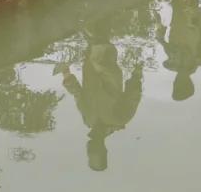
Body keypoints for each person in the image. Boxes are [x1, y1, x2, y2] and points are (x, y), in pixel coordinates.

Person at [58, 34, 144, 172]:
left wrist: (66, 74)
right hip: (106, 61)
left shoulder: (88, 120)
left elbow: (78, 95)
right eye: (95, 153)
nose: (91, 150)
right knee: (99, 31)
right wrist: (137, 73)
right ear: (104, 150)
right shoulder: (120, 120)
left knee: (89, 32)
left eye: (89, 154)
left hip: (89, 65)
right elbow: (133, 95)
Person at [156, 0, 201, 102]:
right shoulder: (199, 59)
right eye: (179, 84)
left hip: (179, 18)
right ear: (188, 82)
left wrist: (159, 31)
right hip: (192, 17)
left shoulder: (172, 61)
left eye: (175, 84)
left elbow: (163, 41)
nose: (176, 81)